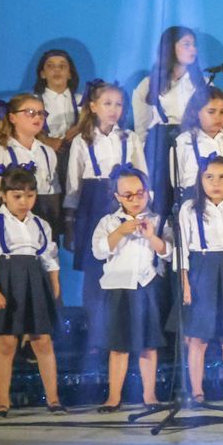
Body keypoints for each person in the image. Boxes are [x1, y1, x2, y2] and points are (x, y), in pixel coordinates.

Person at [0, 166, 65, 418]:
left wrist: (55, 287)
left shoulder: (40, 224)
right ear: (3, 195)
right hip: (6, 280)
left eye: (30, 195)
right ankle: (2, 401)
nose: (24, 202)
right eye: (17, 196)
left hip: (35, 281)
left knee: (42, 340)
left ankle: (54, 399)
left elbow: (50, 259)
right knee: (6, 342)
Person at [174, 156, 223, 405]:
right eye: (209, 177)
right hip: (201, 271)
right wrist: (185, 283)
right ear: (200, 180)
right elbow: (182, 249)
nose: (216, 183)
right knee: (198, 338)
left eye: (222, 177)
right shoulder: (189, 209)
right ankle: (197, 391)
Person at [91, 167, 170, 412]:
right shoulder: (108, 222)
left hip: (146, 286)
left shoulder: (157, 220)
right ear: (117, 196)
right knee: (119, 346)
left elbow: (169, 252)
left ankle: (150, 395)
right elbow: (99, 251)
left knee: (148, 344)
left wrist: (151, 237)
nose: (135, 200)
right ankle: (114, 397)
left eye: (140, 193)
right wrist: (119, 232)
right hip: (118, 287)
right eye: (128, 195)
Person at [63, 80, 147, 286]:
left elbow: (143, 175)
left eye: (118, 104)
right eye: (107, 103)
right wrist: (70, 220)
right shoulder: (82, 140)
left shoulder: (130, 138)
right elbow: (73, 183)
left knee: (123, 254)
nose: (113, 109)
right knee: (95, 260)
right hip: (93, 201)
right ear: (93, 107)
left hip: (125, 200)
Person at [132, 26, 204, 216]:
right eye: (186, 44)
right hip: (160, 145)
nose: (193, 49)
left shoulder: (201, 83)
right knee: (160, 201)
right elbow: (141, 128)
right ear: (170, 47)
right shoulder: (150, 84)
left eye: (194, 45)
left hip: (190, 143)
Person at [0, 94, 61, 229]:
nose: (37, 117)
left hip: (43, 224)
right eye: (30, 112)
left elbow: (52, 193)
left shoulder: (47, 152)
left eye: (41, 113)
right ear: (12, 118)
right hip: (10, 226)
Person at [171, 87, 223, 200]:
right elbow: (177, 180)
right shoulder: (183, 141)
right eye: (211, 112)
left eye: (222, 112)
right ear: (196, 113)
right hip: (193, 199)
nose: (218, 117)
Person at [33, 48, 80, 145]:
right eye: (50, 66)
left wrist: (81, 127)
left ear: (70, 74)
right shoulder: (32, 102)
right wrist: (43, 140)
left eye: (62, 66)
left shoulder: (82, 101)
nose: (57, 70)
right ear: (42, 74)